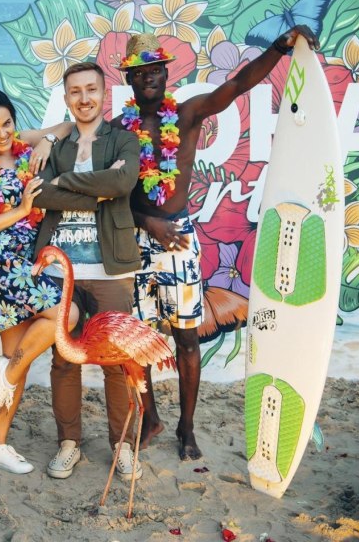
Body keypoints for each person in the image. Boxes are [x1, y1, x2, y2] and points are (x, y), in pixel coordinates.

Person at [113, 27, 319, 461]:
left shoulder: (187, 115)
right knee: (138, 341)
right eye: (140, 72)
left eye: (155, 69)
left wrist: (278, 48)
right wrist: (147, 222)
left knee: (187, 340)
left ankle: (186, 428)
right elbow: (109, 197)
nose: (149, 76)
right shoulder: (117, 131)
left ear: (165, 75)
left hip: (178, 242)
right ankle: (151, 419)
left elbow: (238, 84)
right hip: (135, 241)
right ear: (129, 79)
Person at [0, 88, 80, 474]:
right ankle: (5, 377)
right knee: (68, 314)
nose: (2, 134)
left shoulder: (23, 142)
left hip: (28, 258)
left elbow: (68, 126)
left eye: (6, 123)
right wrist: (23, 209)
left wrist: (48, 140)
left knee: (14, 359)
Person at [31, 61, 144, 481]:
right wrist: (94, 188)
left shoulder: (123, 139)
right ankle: (69, 443)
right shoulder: (56, 145)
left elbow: (122, 183)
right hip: (60, 272)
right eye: (75, 91)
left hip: (109, 270)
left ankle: (123, 445)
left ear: (104, 93)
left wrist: (66, 181)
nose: (84, 98)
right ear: (66, 98)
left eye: (91, 89)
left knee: (117, 361)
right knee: (64, 360)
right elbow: (40, 195)